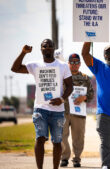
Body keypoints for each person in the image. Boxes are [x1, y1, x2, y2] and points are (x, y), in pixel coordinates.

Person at [11, 39, 73, 169]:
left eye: (50, 46)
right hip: (40, 109)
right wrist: (23, 53)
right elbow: (15, 68)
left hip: (58, 111)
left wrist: (61, 99)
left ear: (53, 48)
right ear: (41, 49)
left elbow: (70, 86)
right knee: (40, 139)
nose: (48, 48)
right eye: (45, 46)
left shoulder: (62, 66)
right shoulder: (35, 65)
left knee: (57, 142)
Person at [60, 53, 95, 168]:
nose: (74, 64)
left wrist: (84, 97)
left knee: (78, 137)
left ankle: (77, 159)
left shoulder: (85, 78)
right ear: (68, 63)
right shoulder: (62, 76)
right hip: (63, 111)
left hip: (78, 112)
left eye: (76, 62)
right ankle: (64, 157)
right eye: (72, 62)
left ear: (79, 64)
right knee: (62, 136)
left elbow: (91, 94)